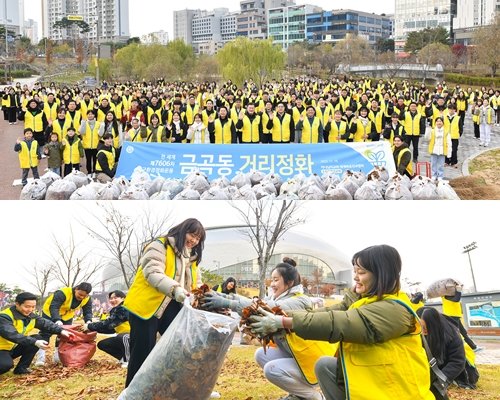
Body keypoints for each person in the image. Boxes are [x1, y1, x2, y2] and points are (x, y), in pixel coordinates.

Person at [250, 245, 434, 400]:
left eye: (361, 272)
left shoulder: (394, 308)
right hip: (373, 383)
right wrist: (277, 316)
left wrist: (282, 321)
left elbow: (337, 322)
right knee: (325, 366)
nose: (355, 277)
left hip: (396, 392)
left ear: (381, 275)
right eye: (354, 271)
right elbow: (331, 311)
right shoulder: (366, 301)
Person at [204, 258, 335, 400]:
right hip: (297, 355)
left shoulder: (299, 300)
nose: (272, 284)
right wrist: (222, 295)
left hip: (312, 359)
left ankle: (315, 397)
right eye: (271, 280)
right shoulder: (280, 296)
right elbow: (259, 302)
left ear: (289, 283)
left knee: (271, 370)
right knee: (261, 354)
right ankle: (298, 394)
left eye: (276, 280)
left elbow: (265, 307)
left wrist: (228, 303)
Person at [123, 218, 206, 387]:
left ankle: (183, 389)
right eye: (192, 235)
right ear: (182, 230)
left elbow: (195, 283)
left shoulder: (190, 256)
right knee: (142, 352)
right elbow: (152, 272)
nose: (194, 241)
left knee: (181, 347)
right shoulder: (159, 245)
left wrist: (200, 296)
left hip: (172, 304)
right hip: (146, 306)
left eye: (198, 239)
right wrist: (176, 289)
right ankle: (133, 393)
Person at [0, 292, 72, 375]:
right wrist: (34, 342)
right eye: (27, 306)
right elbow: (12, 335)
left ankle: (21, 369)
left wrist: (61, 331)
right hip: (2, 349)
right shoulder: (4, 317)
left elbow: (46, 324)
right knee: (5, 365)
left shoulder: (31, 316)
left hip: (12, 348)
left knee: (37, 337)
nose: (30, 310)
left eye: (33, 307)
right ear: (17, 304)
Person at [36, 282, 93, 365]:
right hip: (50, 313)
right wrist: (57, 320)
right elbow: (54, 307)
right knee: (45, 333)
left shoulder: (87, 299)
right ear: (76, 289)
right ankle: (40, 358)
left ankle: (58, 357)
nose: (81, 297)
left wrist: (88, 321)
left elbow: (88, 311)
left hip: (67, 316)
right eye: (80, 294)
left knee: (64, 336)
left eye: (84, 296)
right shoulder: (62, 293)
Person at [416, 307, 466, 396]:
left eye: (424, 327)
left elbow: (457, 361)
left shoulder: (451, 334)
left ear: (433, 324)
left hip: (442, 373)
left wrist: (441, 380)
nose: (422, 331)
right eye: (420, 327)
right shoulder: (416, 334)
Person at [83, 290, 130, 368]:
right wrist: (93, 329)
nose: (112, 300)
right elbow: (110, 328)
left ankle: (129, 360)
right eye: (111, 298)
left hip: (134, 335)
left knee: (122, 337)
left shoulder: (124, 308)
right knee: (103, 344)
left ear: (123, 298)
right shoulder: (114, 310)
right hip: (123, 336)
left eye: (115, 298)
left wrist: (89, 326)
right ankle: (122, 358)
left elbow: (108, 323)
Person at [441, 284, 480, 351]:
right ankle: (459, 349)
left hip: (454, 316)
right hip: (452, 316)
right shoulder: (447, 296)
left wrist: (459, 288)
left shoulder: (445, 296)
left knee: (463, 332)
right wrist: (458, 291)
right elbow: (456, 299)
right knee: (456, 333)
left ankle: (473, 347)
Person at [426, 117, 451, 182]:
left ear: (443, 123)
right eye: (437, 121)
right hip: (434, 149)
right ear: (435, 123)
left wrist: (449, 152)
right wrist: (428, 129)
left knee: (441, 164)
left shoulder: (446, 131)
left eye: (440, 121)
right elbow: (427, 138)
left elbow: (449, 142)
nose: (439, 123)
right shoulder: (432, 130)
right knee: (433, 163)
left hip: (442, 149)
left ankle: (440, 175)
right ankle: (433, 175)